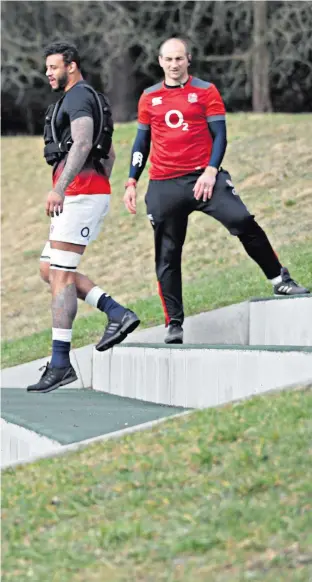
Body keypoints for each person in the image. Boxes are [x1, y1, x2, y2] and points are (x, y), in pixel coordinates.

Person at [123, 37, 310, 344]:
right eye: (168, 60)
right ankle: (174, 323)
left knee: (243, 221)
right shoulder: (149, 97)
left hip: (204, 178)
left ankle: (280, 279)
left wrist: (210, 172)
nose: (174, 65)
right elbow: (141, 143)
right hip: (164, 185)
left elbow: (220, 136)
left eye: (179, 59)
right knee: (168, 254)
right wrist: (132, 180)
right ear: (160, 62)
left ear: (188, 59)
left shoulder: (205, 91)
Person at [27, 41, 139, 393]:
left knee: (60, 276)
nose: (48, 73)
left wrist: (62, 188)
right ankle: (116, 312)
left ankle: (60, 364)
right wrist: (96, 183)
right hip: (86, 192)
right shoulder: (89, 96)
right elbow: (111, 154)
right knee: (50, 269)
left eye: (53, 67)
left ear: (71, 66)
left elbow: (83, 143)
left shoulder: (77, 97)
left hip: (78, 195)